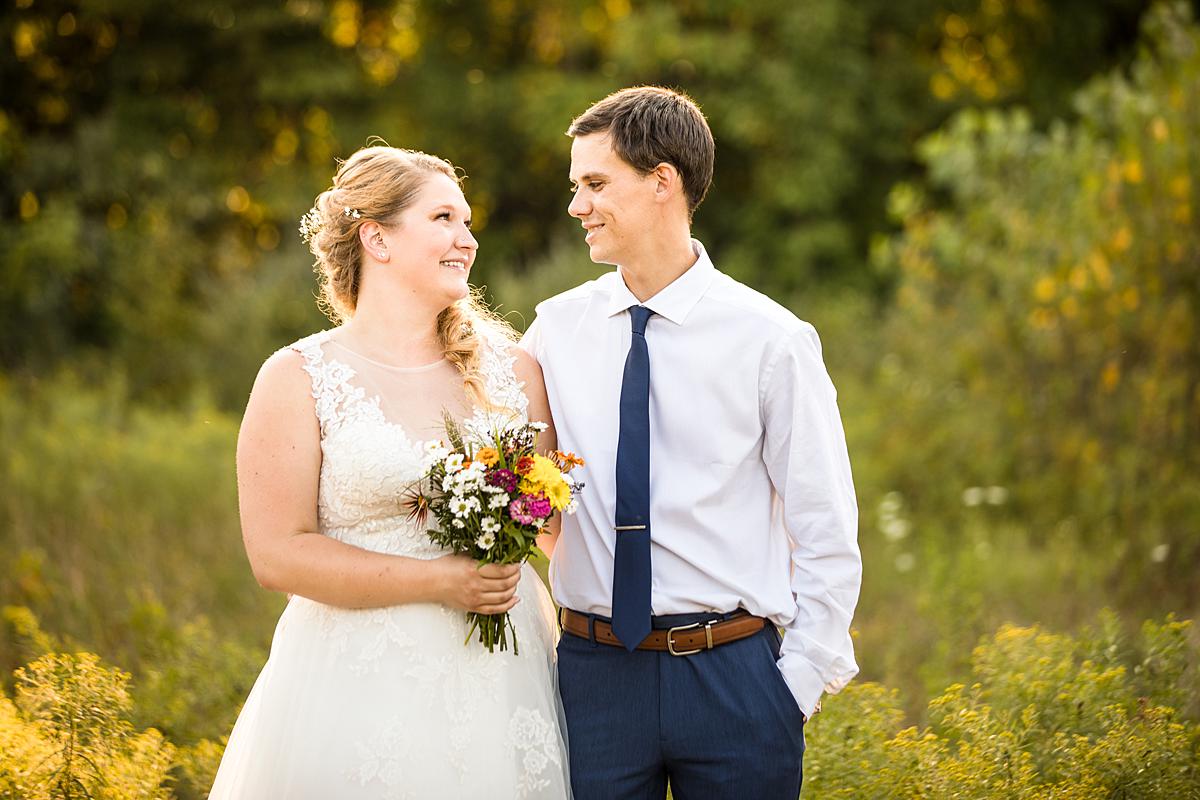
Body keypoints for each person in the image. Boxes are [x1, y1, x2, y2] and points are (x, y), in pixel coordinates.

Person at [520, 86, 861, 799]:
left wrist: (790, 689)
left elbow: (826, 532)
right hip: (596, 674)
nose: (577, 205)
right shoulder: (553, 332)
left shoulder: (773, 341)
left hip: (734, 679)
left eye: (595, 184)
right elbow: (531, 494)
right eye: (575, 186)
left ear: (662, 183)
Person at [210, 145, 570, 798]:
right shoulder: (299, 377)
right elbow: (276, 555)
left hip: (501, 680)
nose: (466, 239)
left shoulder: (513, 372)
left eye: (466, 222)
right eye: (443, 220)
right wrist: (439, 581)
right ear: (375, 236)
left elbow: (554, 529)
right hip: (352, 684)